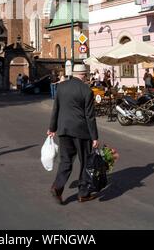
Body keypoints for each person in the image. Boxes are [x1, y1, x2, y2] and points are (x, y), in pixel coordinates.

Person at [47, 64, 99, 204]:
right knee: (85, 162)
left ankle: (57, 187)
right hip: (81, 131)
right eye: (86, 75)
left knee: (66, 160)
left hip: (63, 130)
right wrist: (94, 137)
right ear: (83, 75)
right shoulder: (86, 90)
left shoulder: (61, 87)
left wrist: (52, 128)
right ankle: (83, 193)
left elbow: (55, 109)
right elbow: (90, 116)